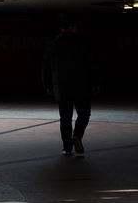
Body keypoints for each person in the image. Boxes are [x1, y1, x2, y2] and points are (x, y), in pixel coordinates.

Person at [42, 17, 100, 156]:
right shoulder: (83, 44)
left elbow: (45, 69)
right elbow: (93, 65)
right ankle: (77, 135)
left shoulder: (52, 46)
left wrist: (49, 86)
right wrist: (97, 83)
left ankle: (67, 148)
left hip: (62, 88)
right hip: (82, 87)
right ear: (74, 28)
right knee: (84, 114)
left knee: (65, 118)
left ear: (61, 29)